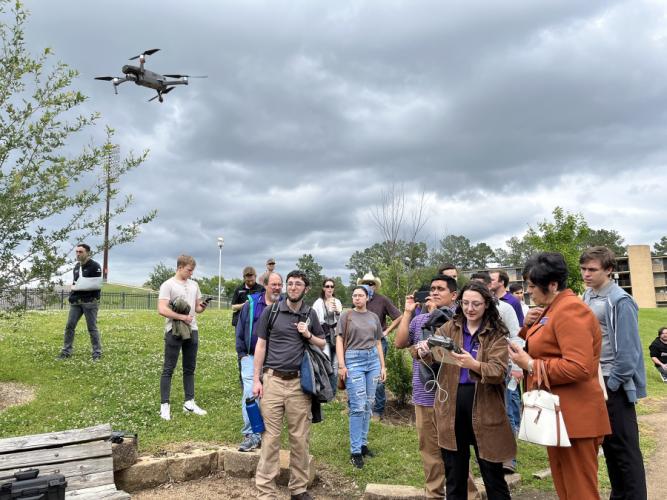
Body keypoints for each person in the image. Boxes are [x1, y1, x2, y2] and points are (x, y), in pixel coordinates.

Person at [509, 252, 611, 500]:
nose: (528, 292)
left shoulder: (570, 310)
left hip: (575, 418)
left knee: (580, 491)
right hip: (558, 416)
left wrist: (531, 364)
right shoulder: (552, 309)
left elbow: (579, 367)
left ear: (552, 285)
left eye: (532, 286)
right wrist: (528, 326)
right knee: (566, 488)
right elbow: (546, 345)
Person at [424, 280, 514, 500]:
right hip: (452, 406)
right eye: (465, 303)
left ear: (487, 304)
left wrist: (474, 364)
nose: (470, 309)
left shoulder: (495, 333)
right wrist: (423, 351)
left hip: (485, 405)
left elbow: (498, 371)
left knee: (493, 477)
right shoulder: (450, 327)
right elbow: (433, 355)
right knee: (455, 476)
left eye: (476, 304)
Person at [580, 246, 647, 499]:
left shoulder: (621, 300)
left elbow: (630, 352)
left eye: (592, 269)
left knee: (625, 452)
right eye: (583, 269)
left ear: (609, 270)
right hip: (595, 380)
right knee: (610, 449)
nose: (586, 274)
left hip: (613, 383)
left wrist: (613, 383)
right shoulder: (587, 296)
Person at [252, 270, 326, 500]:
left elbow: (322, 343)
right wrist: (256, 379)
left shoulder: (310, 313)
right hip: (272, 381)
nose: (293, 287)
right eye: (290, 283)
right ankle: (266, 492)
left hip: (299, 385)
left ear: (306, 288)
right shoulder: (272, 311)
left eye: (298, 284)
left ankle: (298, 489)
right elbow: (260, 346)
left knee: (300, 439)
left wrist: (308, 334)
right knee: (270, 439)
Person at [395, 274, 457, 498]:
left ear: (454, 295)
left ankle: (468, 494)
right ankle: (434, 494)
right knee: (429, 451)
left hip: (452, 395)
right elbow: (400, 343)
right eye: (433, 289)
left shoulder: (459, 319)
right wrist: (408, 312)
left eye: (441, 289)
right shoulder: (419, 320)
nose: (435, 292)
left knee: (456, 452)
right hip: (424, 394)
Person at [336, 285, 386, 469]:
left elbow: (378, 342)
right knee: (357, 406)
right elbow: (339, 339)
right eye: (354, 295)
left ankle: (363, 445)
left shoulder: (373, 317)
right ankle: (355, 451)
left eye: (360, 295)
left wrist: (383, 366)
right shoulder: (346, 315)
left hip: (372, 360)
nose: (357, 298)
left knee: (368, 404)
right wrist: (341, 365)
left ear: (367, 298)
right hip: (353, 360)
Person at [157, 255, 210, 421]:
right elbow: (162, 309)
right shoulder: (168, 285)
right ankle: (164, 406)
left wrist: (203, 306)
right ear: (180, 267)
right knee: (168, 368)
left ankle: (189, 403)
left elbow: (197, 308)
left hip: (192, 329)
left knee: (189, 368)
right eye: (189, 270)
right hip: (174, 330)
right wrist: (182, 317)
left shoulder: (194, 285)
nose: (191, 273)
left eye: (192, 270)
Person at [235, 272, 283, 452]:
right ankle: (251, 434)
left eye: (279, 285)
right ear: (265, 285)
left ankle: (267, 434)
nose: (276, 288)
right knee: (250, 392)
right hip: (251, 355)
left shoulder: (285, 305)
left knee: (271, 396)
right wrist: (242, 354)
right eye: (273, 284)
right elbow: (240, 328)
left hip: (276, 358)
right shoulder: (252, 304)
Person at [357, 272, 401, 420]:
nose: (368, 286)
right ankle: (361, 407)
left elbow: (399, 317)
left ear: (375, 286)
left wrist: (386, 331)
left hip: (378, 343)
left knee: (377, 376)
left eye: (371, 283)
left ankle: (378, 410)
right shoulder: (359, 299)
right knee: (360, 375)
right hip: (359, 343)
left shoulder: (382, 300)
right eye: (366, 283)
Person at [58, 244, 103, 361]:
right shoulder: (77, 266)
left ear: (87, 253)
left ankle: (97, 353)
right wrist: (72, 294)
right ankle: (66, 352)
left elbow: (96, 285)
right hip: (76, 302)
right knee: (69, 326)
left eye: (81, 252)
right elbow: (75, 283)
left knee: (92, 328)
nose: (78, 254)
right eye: (77, 252)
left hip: (90, 302)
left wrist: (77, 287)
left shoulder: (95, 266)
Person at [312, 278, 343, 395]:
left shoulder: (337, 302)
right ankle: (326, 390)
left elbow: (341, 321)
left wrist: (338, 312)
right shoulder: (318, 303)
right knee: (326, 362)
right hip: (324, 336)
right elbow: (315, 321)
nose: (329, 288)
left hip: (335, 335)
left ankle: (333, 392)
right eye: (327, 286)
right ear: (323, 288)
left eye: (331, 286)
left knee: (335, 364)